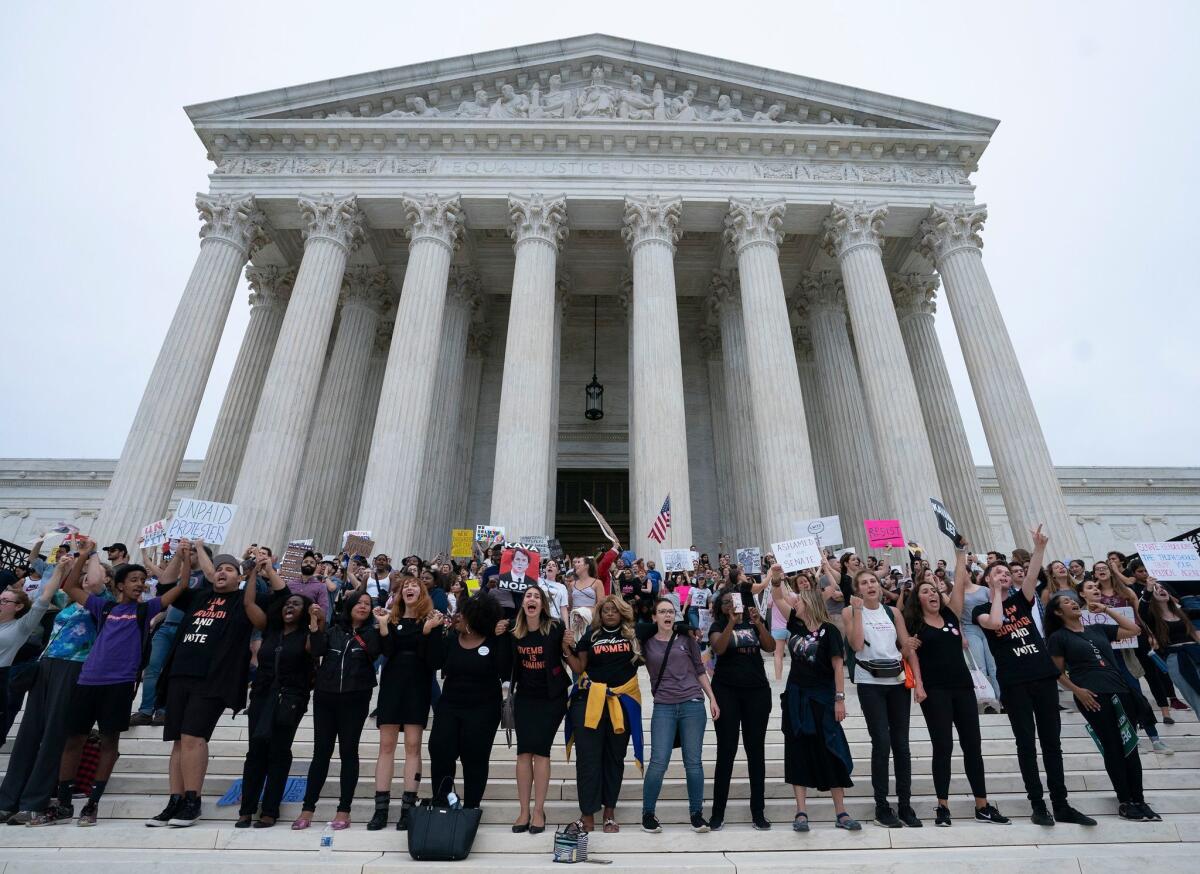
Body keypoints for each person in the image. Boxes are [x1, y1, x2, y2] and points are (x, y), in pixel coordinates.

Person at [146, 547, 289, 828]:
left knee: (193, 737)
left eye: (230, 569)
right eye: (219, 568)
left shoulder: (244, 600)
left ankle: (192, 800)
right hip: (179, 674)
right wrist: (181, 556)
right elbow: (165, 585)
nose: (222, 572)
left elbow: (282, 600)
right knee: (177, 740)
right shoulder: (198, 596)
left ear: (240, 578)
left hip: (214, 678)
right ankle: (175, 800)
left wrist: (266, 570)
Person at [55, 539, 188, 825]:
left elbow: (179, 589)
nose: (140, 583)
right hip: (88, 679)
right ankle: (64, 801)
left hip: (121, 682)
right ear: (119, 585)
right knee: (73, 739)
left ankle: (93, 803)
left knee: (109, 742)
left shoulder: (147, 609)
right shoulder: (103, 607)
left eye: (143, 579)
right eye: (134, 580)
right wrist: (84, 554)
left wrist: (185, 559)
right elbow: (70, 587)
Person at [972, 526, 1096, 827]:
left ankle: (1061, 803)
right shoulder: (981, 609)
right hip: (1014, 682)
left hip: (1042, 675)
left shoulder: (1023, 598)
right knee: (1026, 743)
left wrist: (1039, 547)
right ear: (987, 579)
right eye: (997, 573)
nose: (1004, 575)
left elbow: (1031, 575)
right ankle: (1038, 804)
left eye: (1006, 572)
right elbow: (997, 621)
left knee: (1052, 743)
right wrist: (998, 593)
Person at [903, 542, 1009, 827]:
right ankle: (942, 806)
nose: (931, 594)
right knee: (943, 746)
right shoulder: (915, 625)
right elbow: (910, 657)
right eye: (925, 591)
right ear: (918, 599)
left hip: (962, 687)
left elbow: (960, 586)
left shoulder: (951, 616)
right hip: (935, 690)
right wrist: (919, 685)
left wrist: (960, 555)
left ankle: (982, 805)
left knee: (973, 745)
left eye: (934, 590)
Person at [1046, 591, 1158, 820]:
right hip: (1092, 694)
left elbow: (1134, 630)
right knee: (1113, 745)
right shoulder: (1058, 637)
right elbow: (1056, 672)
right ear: (1058, 612)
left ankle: (1140, 799)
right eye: (1066, 602)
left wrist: (1106, 610)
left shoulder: (1097, 629)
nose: (1073, 603)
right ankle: (1125, 800)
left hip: (1120, 690)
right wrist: (1077, 691)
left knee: (1130, 745)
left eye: (1073, 600)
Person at [294, 590, 383, 830]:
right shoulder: (333, 632)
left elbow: (375, 652)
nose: (363, 607)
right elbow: (315, 650)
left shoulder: (372, 633)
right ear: (350, 605)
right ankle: (307, 808)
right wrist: (315, 623)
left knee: (348, 752)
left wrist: (380, 624)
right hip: (326, 695)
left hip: (356, 697)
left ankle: (344, 810)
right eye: (359, 603)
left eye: (367, 603)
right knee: (321, 752)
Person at [843, 568, 924, 828]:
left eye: (873, 582)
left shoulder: (893, 612)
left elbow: (905, 647)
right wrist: (856, 612)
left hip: (898, 681)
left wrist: (919, 682)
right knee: (881, 741)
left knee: (902, 744)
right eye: (864, 583)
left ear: (879, 586)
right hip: (870, 682)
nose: (869, 586)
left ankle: (905, 804)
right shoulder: (850, 612)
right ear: (857, 590)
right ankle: (881, 806)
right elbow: (856, 646)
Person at [775, 583, 859, 832]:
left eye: (799, 600)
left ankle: (841, 812)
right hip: (796, 699)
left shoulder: (830, 631)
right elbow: (778, 596)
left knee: (831, 751)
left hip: (822, 700)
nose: (794, 603)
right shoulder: (795, 625)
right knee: (797, 753)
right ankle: (801, 812)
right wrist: (776, 577)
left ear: (809, 603)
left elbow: (837, 666)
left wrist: (840, 699)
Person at [0, 556, 76, 826]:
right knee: (25, 738)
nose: (1, 603)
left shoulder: (21, 625)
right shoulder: (66, 605)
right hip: (43, 667)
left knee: (45, 736)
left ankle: (26, 801)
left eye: (5, 601)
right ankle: (7, 800)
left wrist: (61, 569)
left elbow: (44, 597)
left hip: (66, 667)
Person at [236, 593, 322, 828]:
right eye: (287, 603)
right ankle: (246, 809)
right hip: (262, 697)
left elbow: (316, 651)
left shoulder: (306, 634)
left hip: (290, 700)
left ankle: (270, 810)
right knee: (255, 752)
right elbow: (249, 604)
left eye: (296, 604)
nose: (289, 606)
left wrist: (315, 621)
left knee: (278, 752)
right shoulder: (271, 631)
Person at [369, 572, 443, 830]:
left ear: (422, 594)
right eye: (405, 587)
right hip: (392, 684)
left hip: (417, 685)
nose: (409, 588)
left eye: (415, 586)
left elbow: (432, 660)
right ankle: (380, 809)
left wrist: (425, 631)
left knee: (413, 745)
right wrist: (382, 625)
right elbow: (387, 652)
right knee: (386, 746)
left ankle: (407, 808)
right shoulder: (391, 619)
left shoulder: (432, 621)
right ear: (399, 594)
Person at [640, 596, 719, 834]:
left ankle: (696, 814)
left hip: (692, 703)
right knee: (658, 761)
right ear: (654, 617)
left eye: (671, 612)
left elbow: (699, 669)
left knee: (693, 762)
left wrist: (712, 698)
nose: (667, 615)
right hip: (664, 705)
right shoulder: (646, 642)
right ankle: (648, 813)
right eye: (662, 611)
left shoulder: (686, 639)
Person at [564, 594, 642, 833]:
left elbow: (667, 628)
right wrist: (566, 647)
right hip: (590, 701)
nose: (610, 613)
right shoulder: (592, 635)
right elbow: (579, 668)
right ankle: (587, 815)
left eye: (614, 610)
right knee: (588, 759)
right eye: (606, 610)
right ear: (600, 613)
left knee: (614, 758)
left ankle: (609, 813)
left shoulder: (633, 634)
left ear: (622, 613)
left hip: (622, 702)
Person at [426, 593, 510, 808]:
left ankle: (471, 807)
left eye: (462, 614)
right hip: (450, 706)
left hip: (483, 709)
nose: (457, 617)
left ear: (476, 618)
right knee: (440, 750)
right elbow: (434, 661)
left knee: (475, 758)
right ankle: (443, 801)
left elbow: (504, 669)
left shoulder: (494, 640)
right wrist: (434, 632)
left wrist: (502, 636)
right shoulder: (452, 638)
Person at [708, 586, 774, 831]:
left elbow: (770, 647)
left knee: (756, 751)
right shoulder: (717, 627)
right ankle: (718, 813)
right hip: (727, 691)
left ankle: (758, 811)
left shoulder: (754, 621)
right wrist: (730, 623)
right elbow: (719, 648)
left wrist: (758, 624)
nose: (730, 605)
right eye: (725, 602)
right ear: (719, 607)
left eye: (733, 601)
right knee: (726, 751)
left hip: (756, 691)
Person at [509, 586, 570, 834]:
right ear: (523, 603)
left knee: (541, 751)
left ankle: (538, 811)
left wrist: (570, 643)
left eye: (536, 596)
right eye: (528, 596)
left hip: (551, 698)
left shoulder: (555, 628)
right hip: (524, 697)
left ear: (543, 605)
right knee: (524, 753)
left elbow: (570, 656)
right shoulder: (514, 631)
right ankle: (524, 810)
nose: (531, 599)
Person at [1140, 579, 1200, 716]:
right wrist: (1149, 589)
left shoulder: (1183, 612)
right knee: (1196, 697)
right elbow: (1142, 609)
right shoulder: (1151, 617)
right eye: (1157, 589)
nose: (1161, 590)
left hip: (1196, 653)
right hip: (1177, 659)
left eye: (1163, 588)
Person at [959, 568, 1001, 708]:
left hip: (988, 628)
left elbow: (994, 607)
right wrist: (962, 636)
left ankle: (1001, 698)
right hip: (970, 629)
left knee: (993, 666)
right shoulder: (956, 593)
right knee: (980, 667)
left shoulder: (984, 589)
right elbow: (956, 617)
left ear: (970, 573)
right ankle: (987, 700)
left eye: (962, 571)